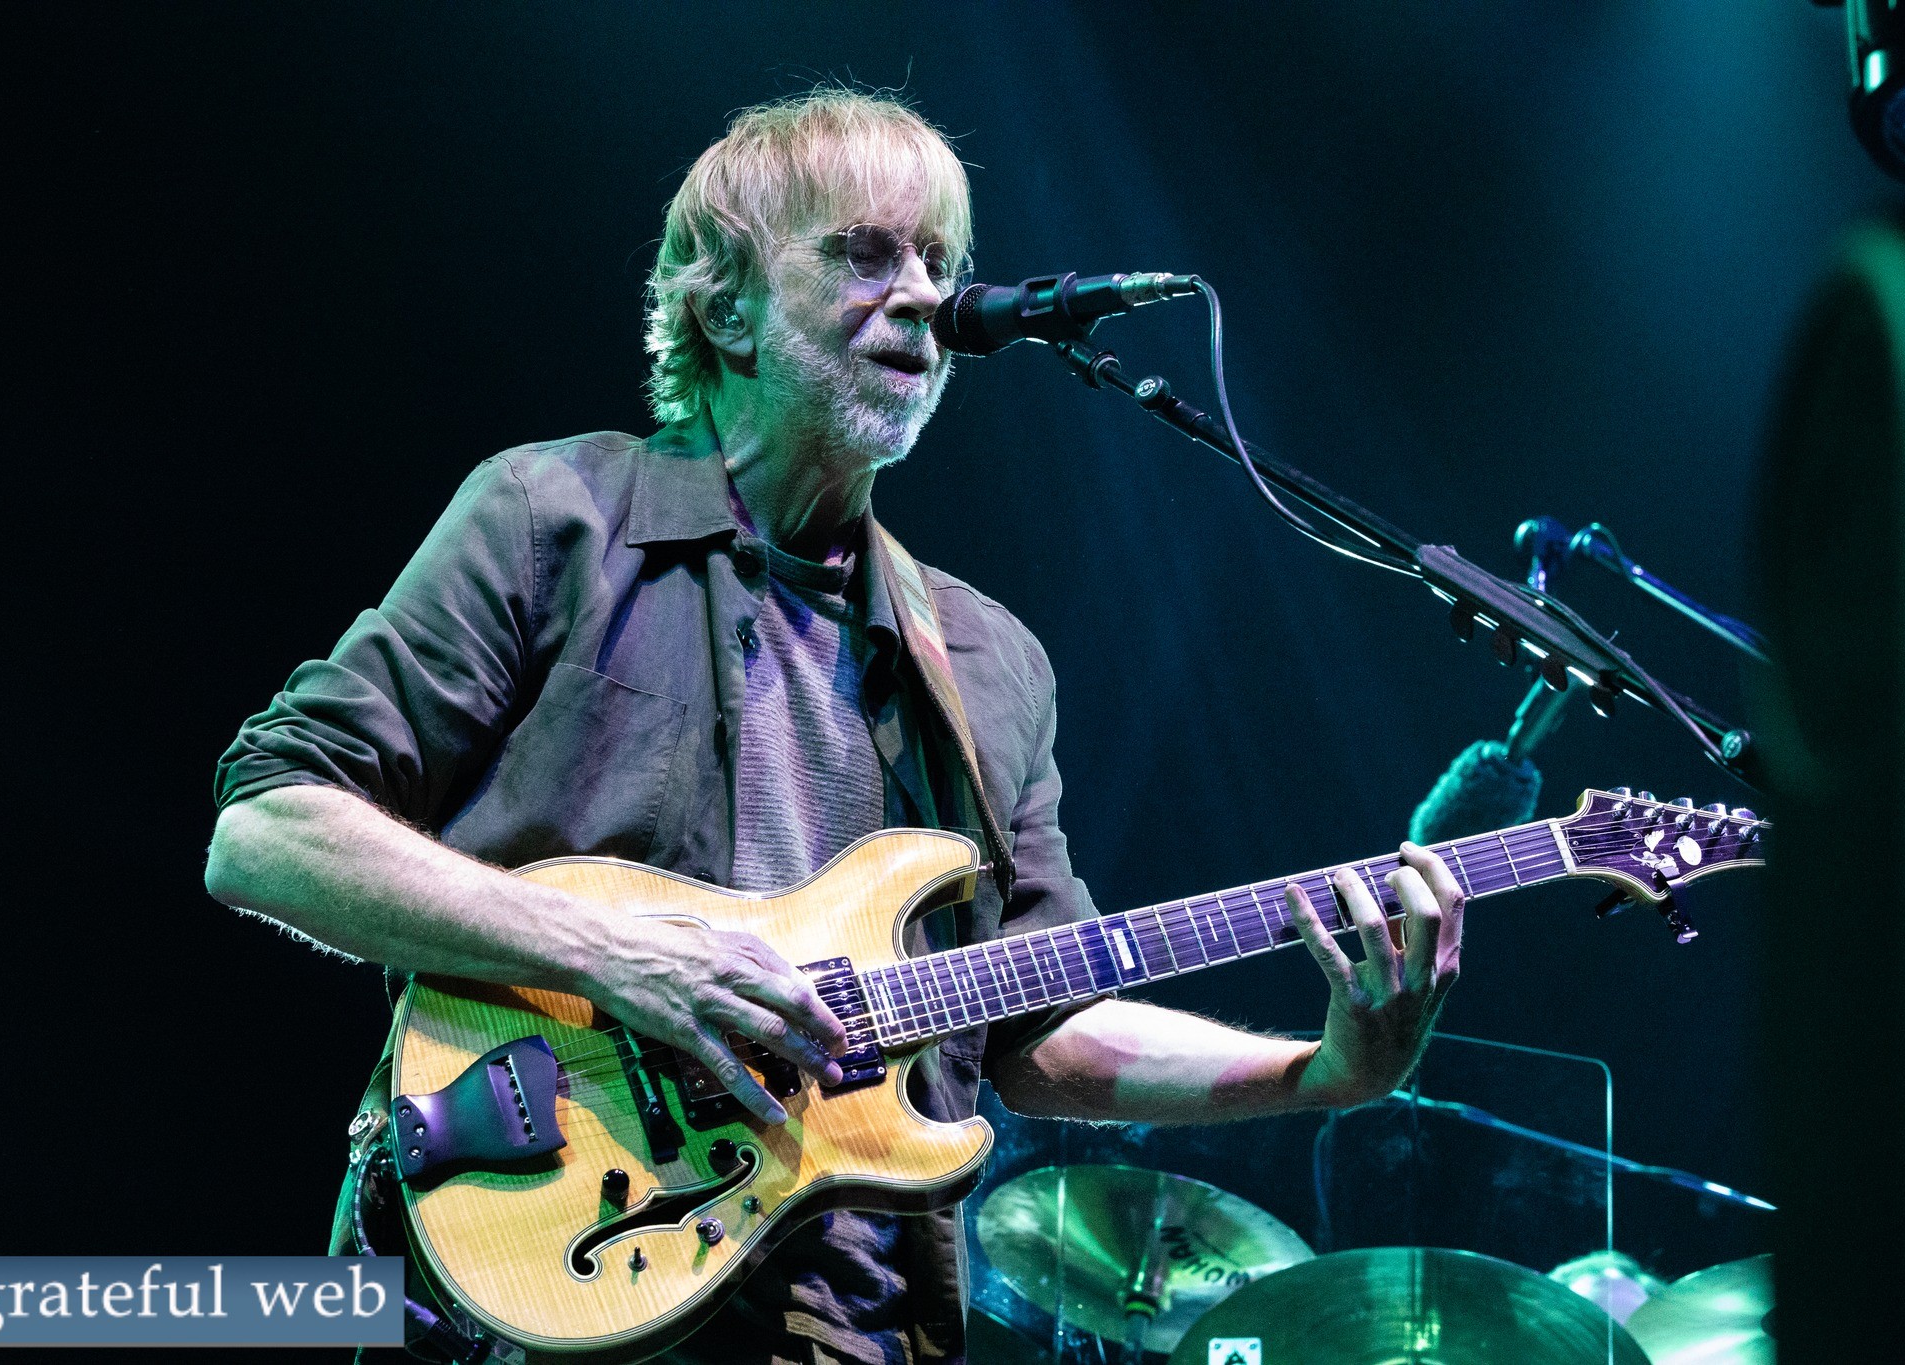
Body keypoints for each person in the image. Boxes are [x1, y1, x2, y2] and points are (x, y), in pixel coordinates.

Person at [204, 87, 1466, 1365]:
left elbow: (1037, 1025)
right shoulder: (556, 517)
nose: (919, 295)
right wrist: (614, 955)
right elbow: (266, 832)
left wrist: (1323, 1073)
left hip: (855, 1326)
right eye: (864, 255)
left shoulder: (987, 661)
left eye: (936, 261)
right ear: (725, 307)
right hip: (542, 1267)